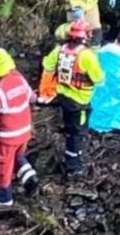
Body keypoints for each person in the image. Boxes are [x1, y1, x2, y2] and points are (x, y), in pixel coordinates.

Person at [41, 19, 105, 177]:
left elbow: (48, 66)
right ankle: (74, 167)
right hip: (80, 102)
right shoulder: (88, 56)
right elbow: (99, 79)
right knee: (78, 134)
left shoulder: (59, 50)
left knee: (70, 129)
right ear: (85, 36)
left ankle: (72, 158)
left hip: (63, 97)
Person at [0, 49, 38, 205]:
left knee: (2, 169)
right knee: (18, 156)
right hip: (25, 132)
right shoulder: (19, 79)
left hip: (7, 137)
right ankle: (29, 177)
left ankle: (4, 201)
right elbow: (33, 98)